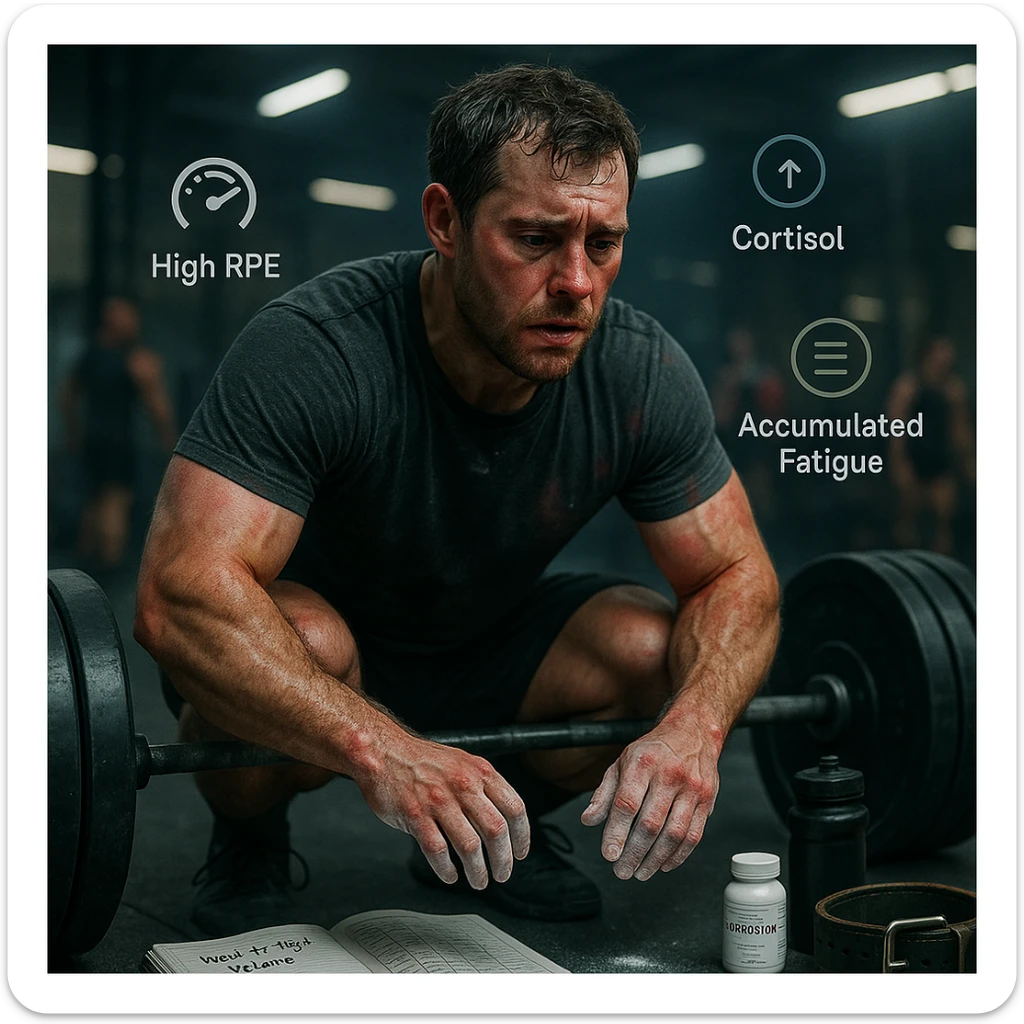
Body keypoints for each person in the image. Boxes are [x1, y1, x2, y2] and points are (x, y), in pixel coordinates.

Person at [134, 64, 780, 936]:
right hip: (327, 652)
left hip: (492, 648)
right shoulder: (318, 348)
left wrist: (694, 730)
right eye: (535, 239)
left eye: (603, 243)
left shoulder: (636, 367)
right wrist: (385, 750)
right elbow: (179, 597)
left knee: (648, 648)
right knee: (308, 642)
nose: (577, 284)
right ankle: (248, 831)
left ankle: (493, 840)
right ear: (445, 220)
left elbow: (740, 574)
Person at [59, 296, 177, 572]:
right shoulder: (135, 360)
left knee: (95, 502)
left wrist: (74, 432)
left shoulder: (90, 355)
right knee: (114, 502)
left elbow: (67, 398)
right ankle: (105, 572)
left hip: (94, 441)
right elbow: (157, 407)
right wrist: (169, 441)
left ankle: (84, 572)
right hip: (115, 443)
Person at [887, 335, 975, 555]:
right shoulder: (907, 388)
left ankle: (939, 574)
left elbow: (960, 431)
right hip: (914, 461)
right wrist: (899, 463)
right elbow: (896, 430)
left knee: (943, 522)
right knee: (907, 524)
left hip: (940, 464)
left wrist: (968, 461)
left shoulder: (953, 391)